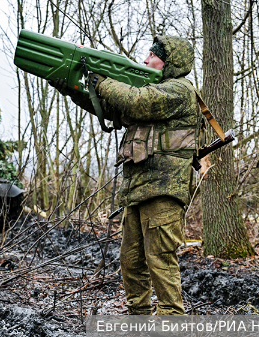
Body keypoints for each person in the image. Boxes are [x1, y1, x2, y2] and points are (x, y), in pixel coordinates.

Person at [50, 36, 200, 315]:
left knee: (160, 260)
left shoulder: (179, 91)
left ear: (170, 63)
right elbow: (111, 108)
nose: (145, 59)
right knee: (131, 260)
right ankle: (139, 320)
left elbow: (136, 102)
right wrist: (72, 88)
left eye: (152, 55)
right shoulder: (154, 91)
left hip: (164, 190)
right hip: (139, 189)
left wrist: (101, 80)